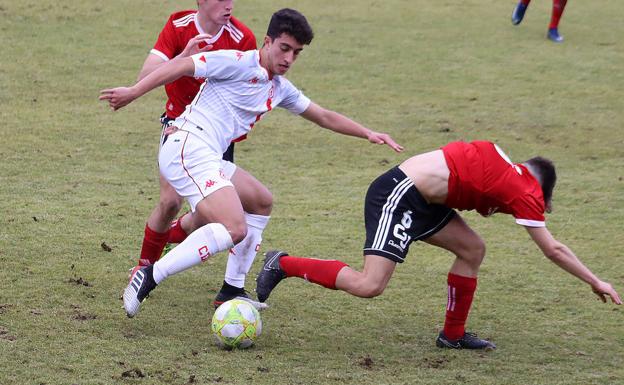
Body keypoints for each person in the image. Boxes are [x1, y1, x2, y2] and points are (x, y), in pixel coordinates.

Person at [99, 8, 404, 318]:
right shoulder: (237, 61)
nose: (288, 58)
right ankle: (150, 275)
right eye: (284, 48)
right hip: (186, 147)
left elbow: (323, 115)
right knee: (233, 226)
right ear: (267, 42)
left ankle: (231, 289)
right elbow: (181, 66)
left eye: (296, 53)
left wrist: (367, 133)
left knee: (260, 201)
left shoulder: (278, 88)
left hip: (207, 154)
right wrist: (133, 92)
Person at [255, 140, 622, 350]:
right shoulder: (525, 191)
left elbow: (465, 172)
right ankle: (281, 263)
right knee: (370, 285)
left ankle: (453, 335)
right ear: (541, 190)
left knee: (473, 249)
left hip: (428, 201)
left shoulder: (507, 166)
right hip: (399, 196)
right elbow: (553, 249)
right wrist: (594, 280)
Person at [131, 0, 270, 309]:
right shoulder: (178, 25)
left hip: (218, 138)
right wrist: (182, 58)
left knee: (210, 220)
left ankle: (167, 239)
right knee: (169, 202)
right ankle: (143, 270)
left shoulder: (241, 37)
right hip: (179, 132)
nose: (229, 4)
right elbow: (146, 73)